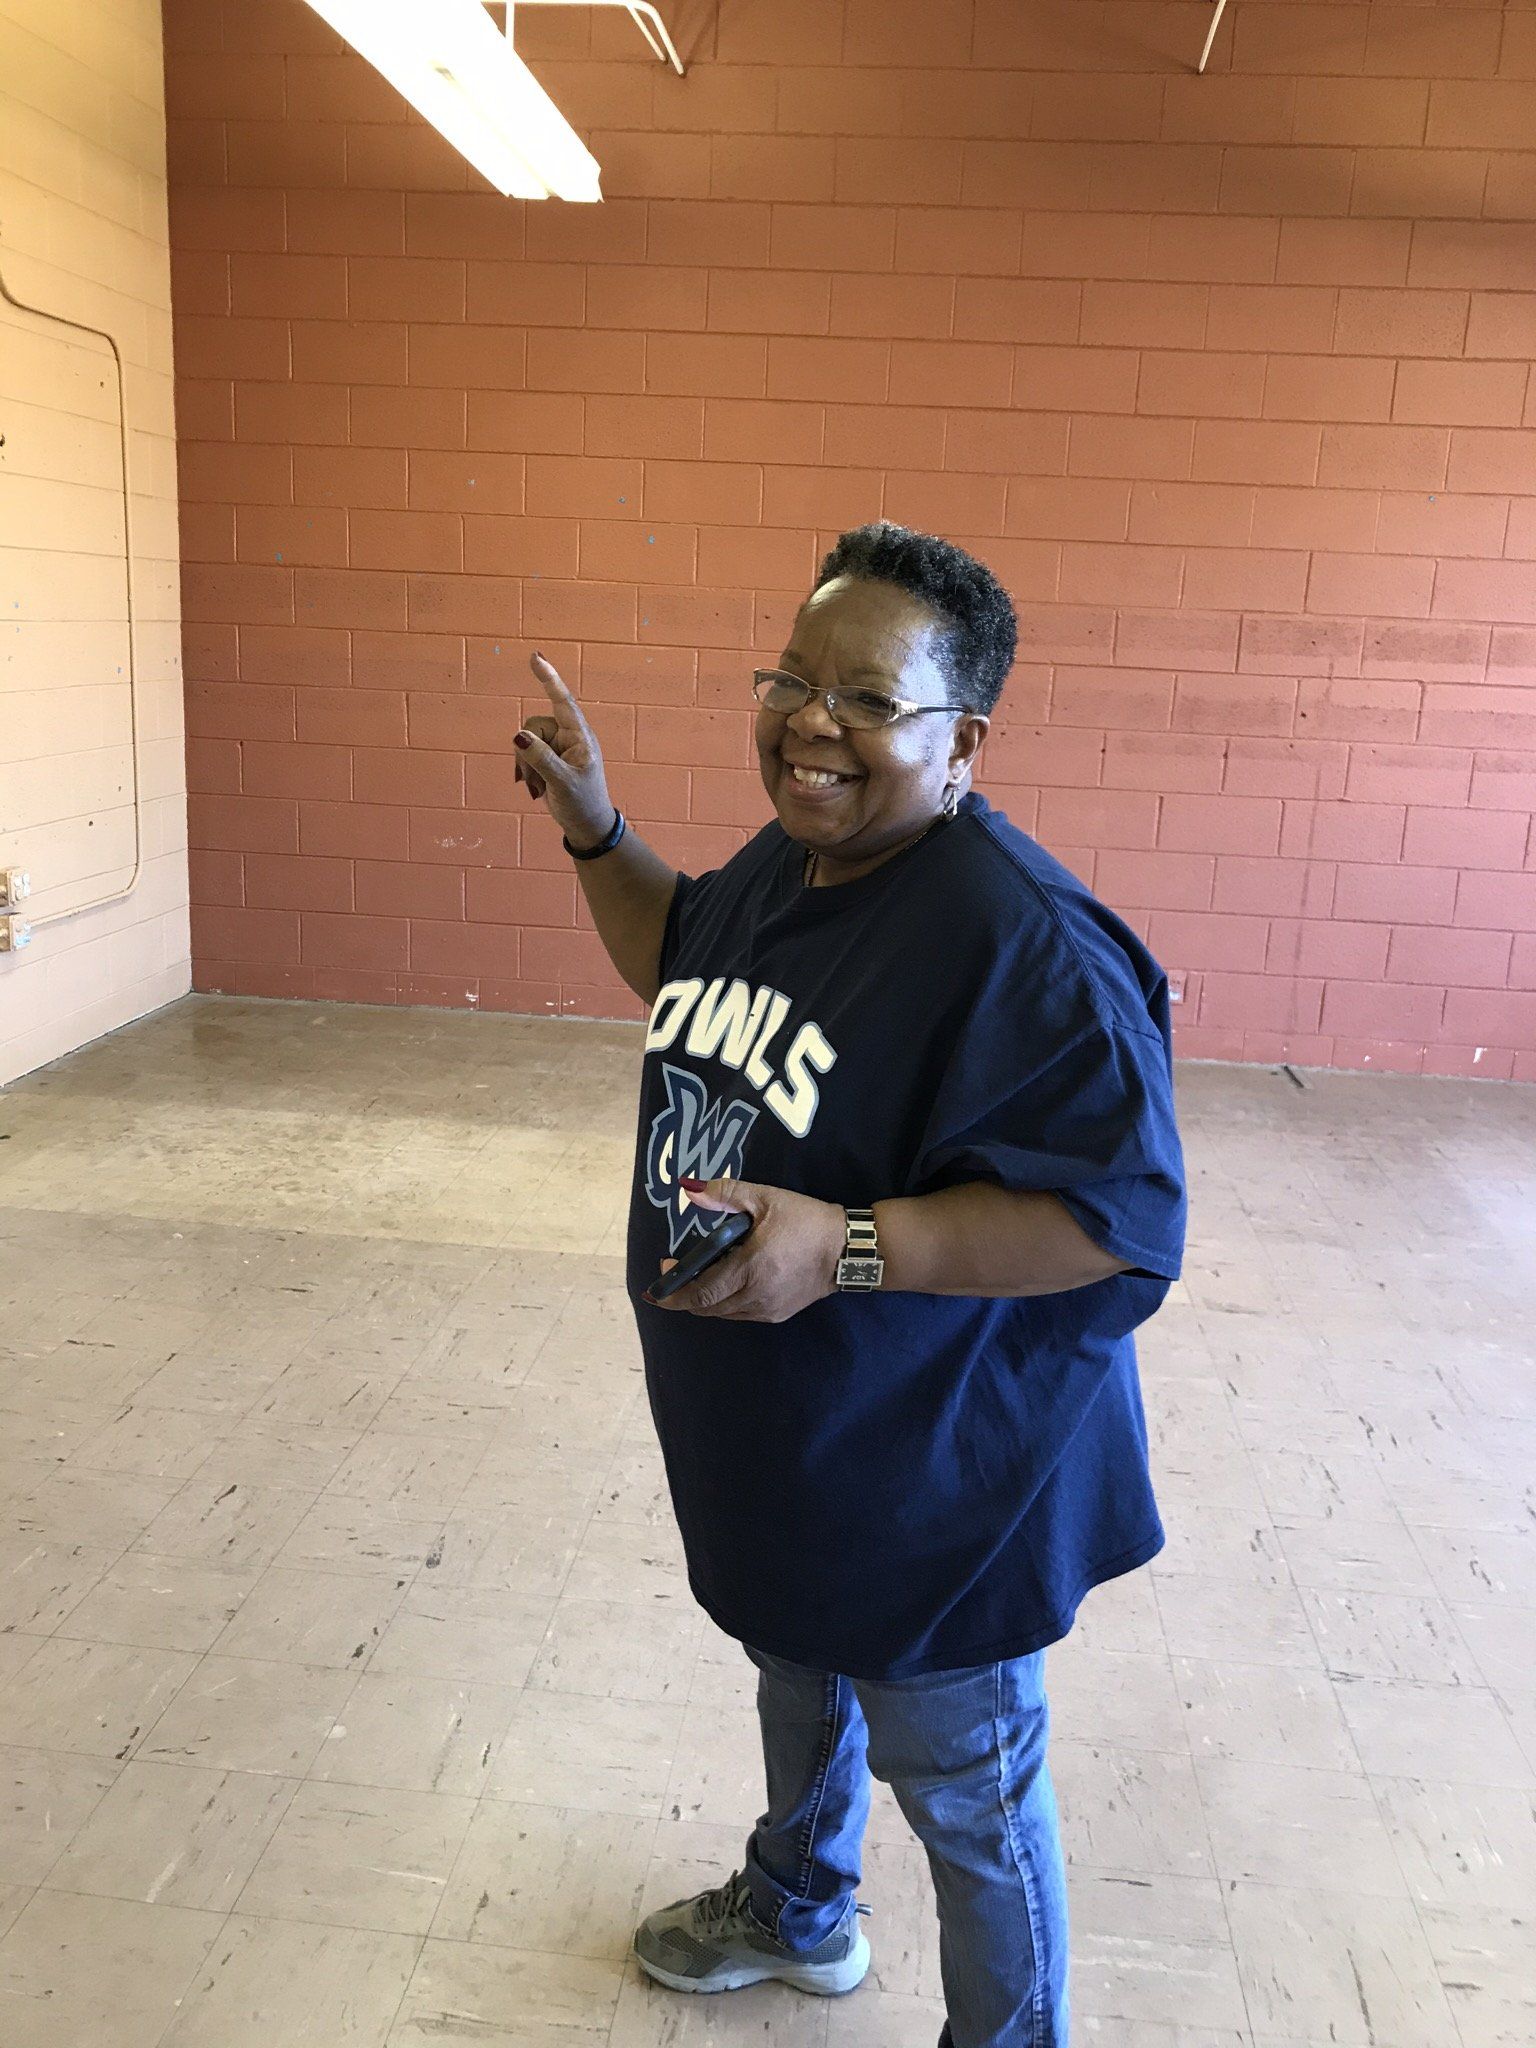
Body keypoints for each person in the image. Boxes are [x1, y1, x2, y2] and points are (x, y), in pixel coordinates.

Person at [512, 522, 1186, 2048]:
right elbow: (684, 958)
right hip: (800, 1451)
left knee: (966, 1787)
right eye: (792, 680)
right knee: (798, 1672)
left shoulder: (1022, 943)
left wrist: (850, 1243)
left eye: (871, 700)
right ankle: (800, 1906)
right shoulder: (802, 857)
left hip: (936, 1486)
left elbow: (1123, 1219)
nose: (813, 722)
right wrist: (597, 832)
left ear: (963, 744)